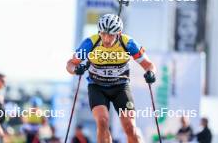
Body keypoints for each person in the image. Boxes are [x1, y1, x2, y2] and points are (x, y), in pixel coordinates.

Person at [66, 14, 156, 143]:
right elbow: (70, 64)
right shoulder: (90, 43)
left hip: (121, 87)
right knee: (102, 122)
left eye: (111, 35)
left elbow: (149, 65)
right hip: (97, 87)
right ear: (99, 32)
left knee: (130, 127)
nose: (107, 39)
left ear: (119, 33)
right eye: (103, 34)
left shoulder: (128, 43)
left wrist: (151, 73)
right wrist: (75, 70)